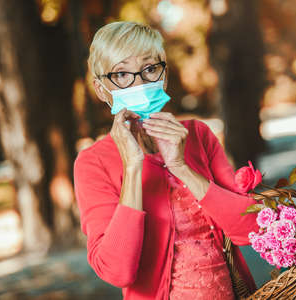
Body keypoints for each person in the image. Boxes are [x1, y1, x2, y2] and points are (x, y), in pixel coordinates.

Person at [73, 21, 260, 300]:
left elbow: (251, 228)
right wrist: (133, 166)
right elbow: (117, 271)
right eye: (122, 73)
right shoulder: (93, 163)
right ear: (101, 89)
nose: (139, 82)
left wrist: (181, 168)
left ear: (165, 75)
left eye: (150, 69)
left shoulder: (197, 135)